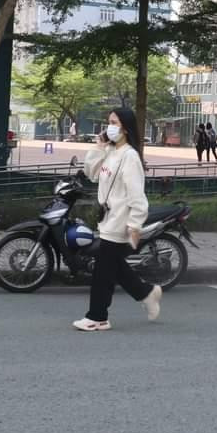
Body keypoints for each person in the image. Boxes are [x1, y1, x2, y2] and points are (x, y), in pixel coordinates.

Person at [75, 107, 161, 331]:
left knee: (103, 272)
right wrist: (98, 147)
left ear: (125, 128)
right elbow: (91, 173)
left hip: (120, 221)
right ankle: (146, 292)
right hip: (107, 218)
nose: (109, 127)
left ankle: (98, 317)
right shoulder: (111, 151)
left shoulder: (130, 157)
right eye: (109, 122)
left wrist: (134, 225)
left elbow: (137, 197)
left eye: (114, 123)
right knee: (114, 266)